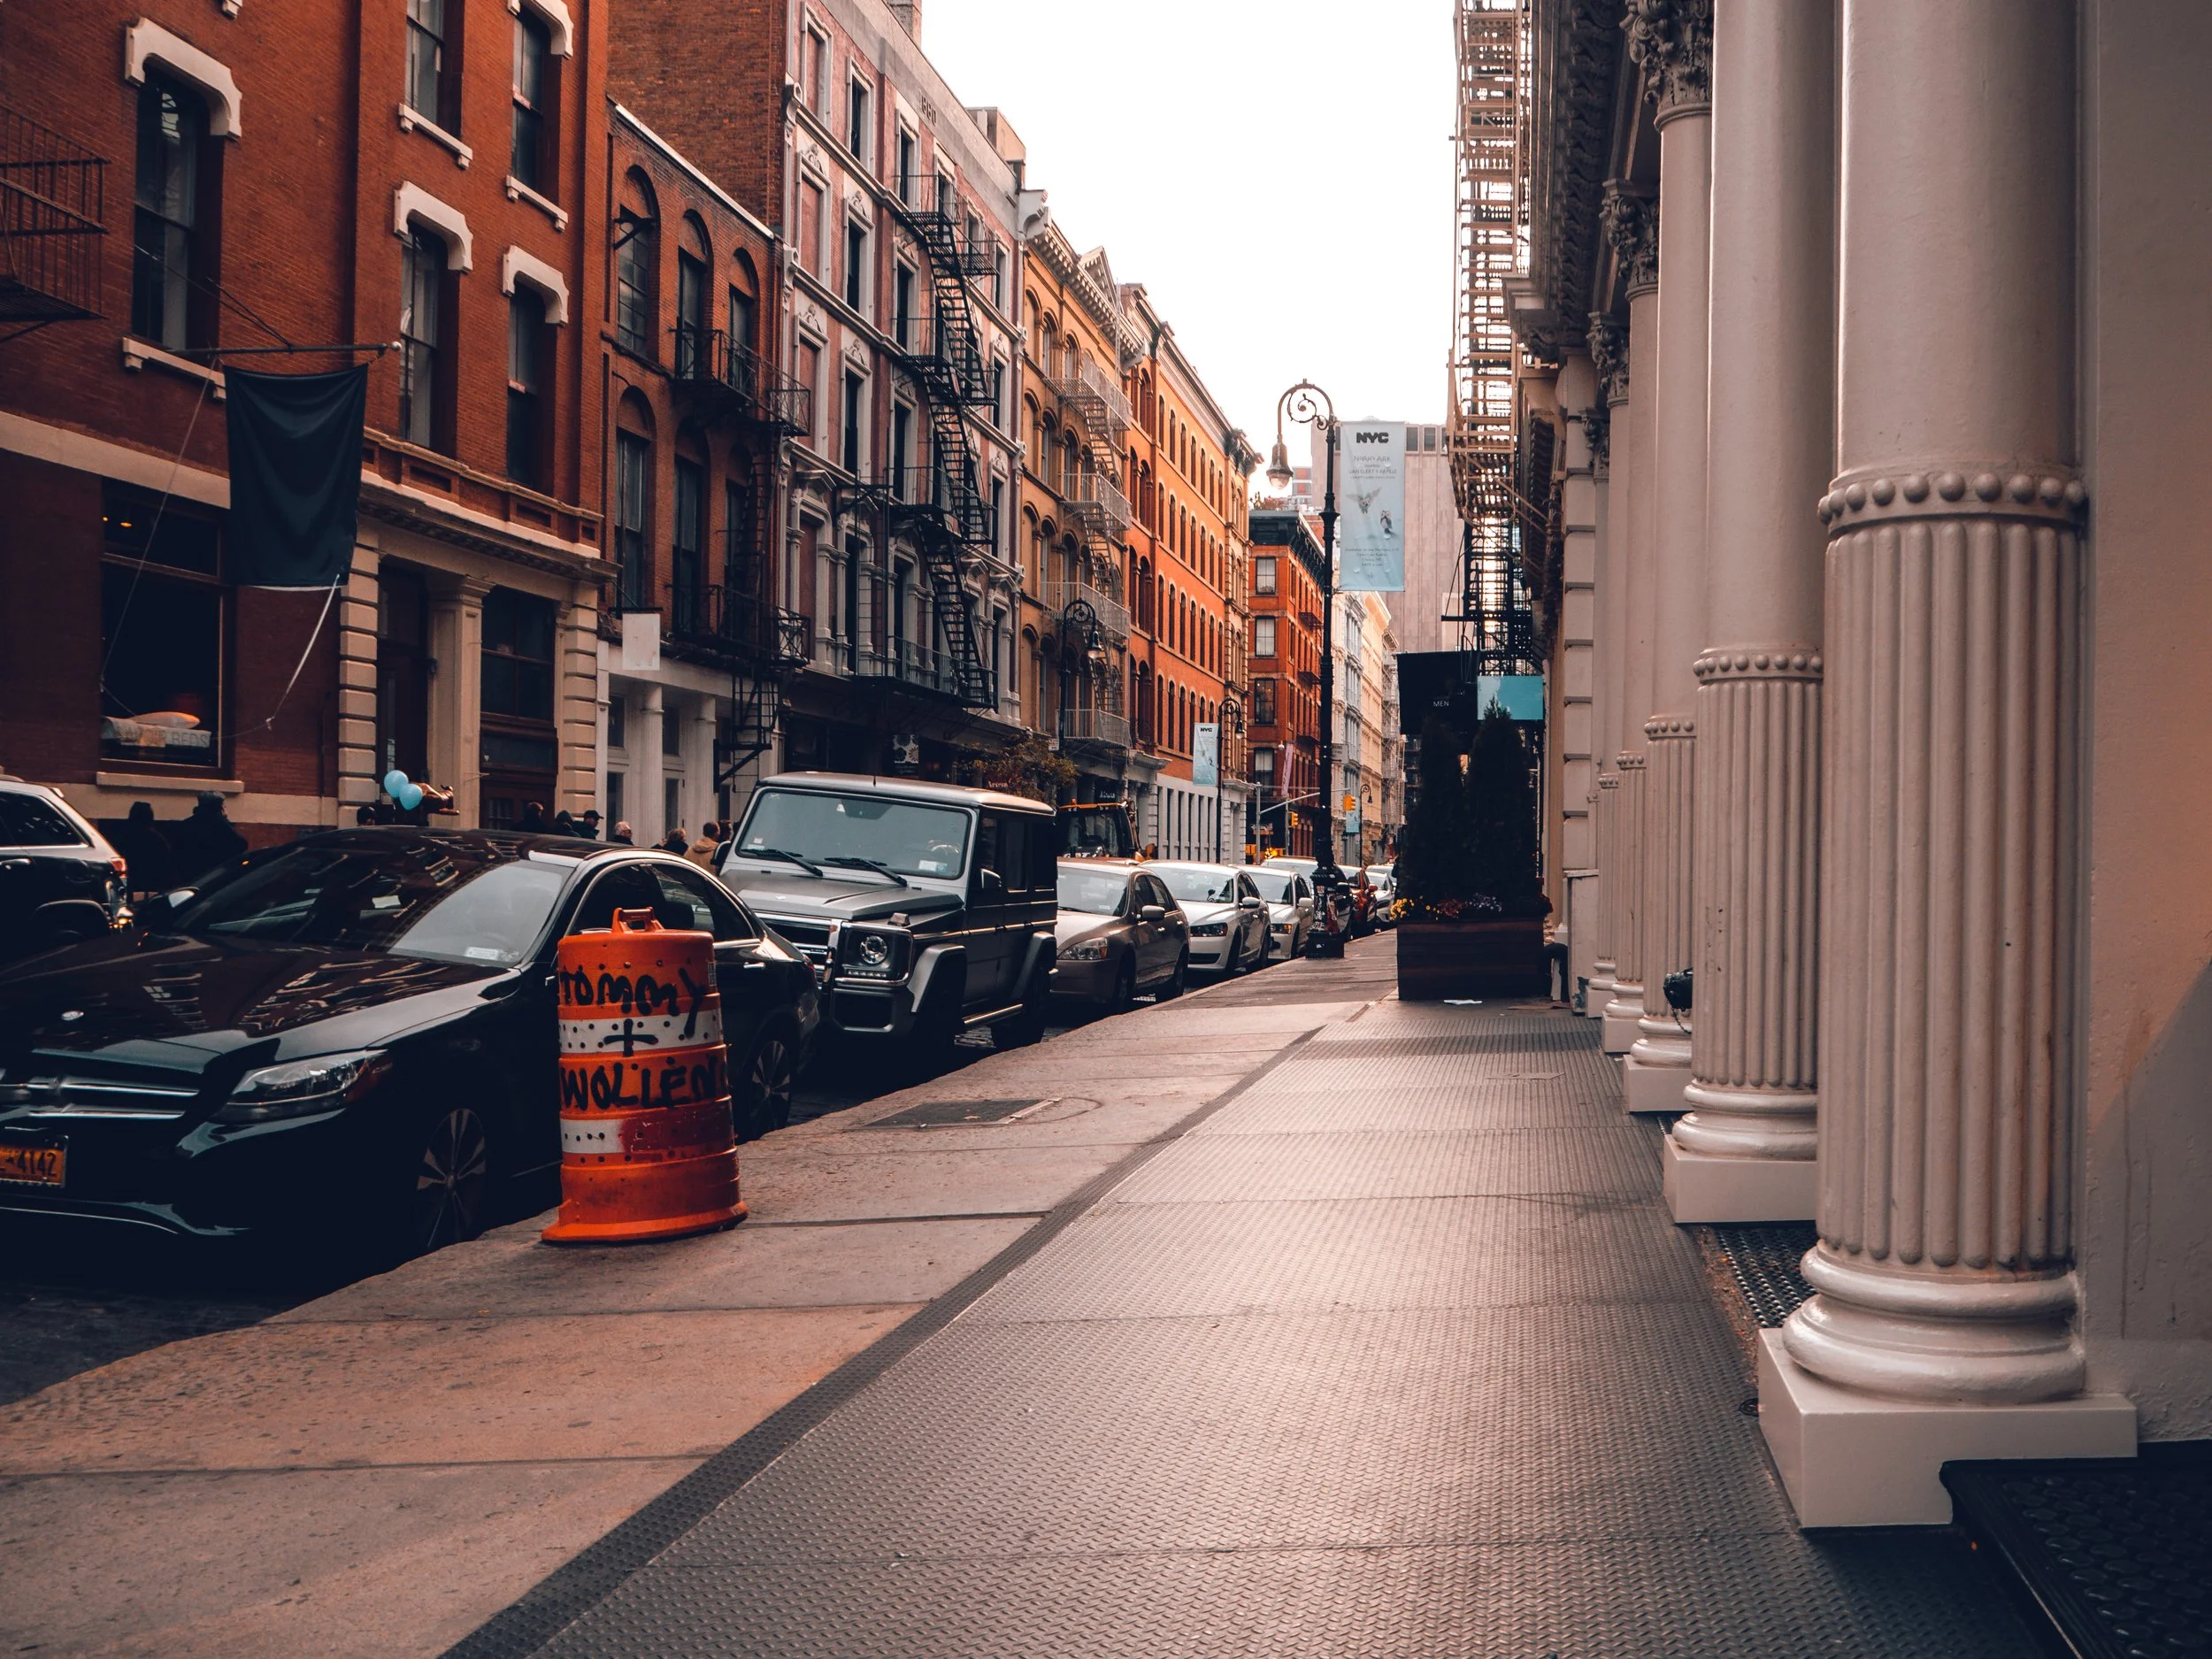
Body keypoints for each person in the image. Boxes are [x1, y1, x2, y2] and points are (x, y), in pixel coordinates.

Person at [167, 792, 248, 885]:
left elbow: (176, 851)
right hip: (215, 876)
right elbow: (241, 844)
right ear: (220, 807)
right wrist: (225, 819)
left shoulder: (187, 824)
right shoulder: (220, 824)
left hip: (189, 877)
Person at [112, 801, 171, 899]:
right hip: (154, 882)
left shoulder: (126, 836)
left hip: (134, 880)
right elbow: (167, 860)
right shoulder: (156, 838)